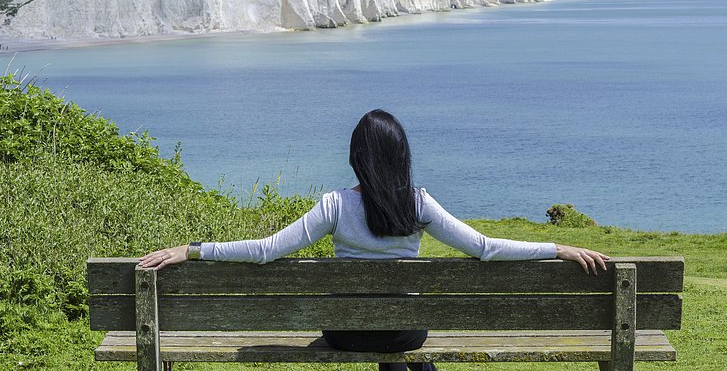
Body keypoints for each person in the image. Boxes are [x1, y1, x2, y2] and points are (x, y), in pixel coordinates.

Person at [140, 109, 609, 371]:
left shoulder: (334, 206)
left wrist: (192, 250)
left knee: (377, 335)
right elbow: (485, 248)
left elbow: (265, 251)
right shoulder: (419, 203)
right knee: (400, 343)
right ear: (402, 155)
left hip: (344, 332)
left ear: (356, 157)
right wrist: (558, 248)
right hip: (406, 331)